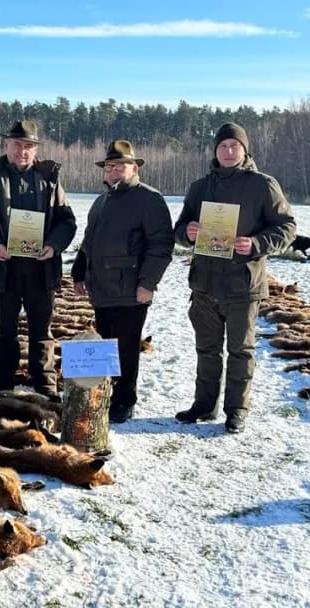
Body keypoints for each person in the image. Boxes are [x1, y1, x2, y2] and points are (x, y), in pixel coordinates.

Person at [172, 122, 296, 433]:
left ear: (244, 150)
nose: (228, 152)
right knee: (207, 350)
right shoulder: (200, 188)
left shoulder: (263, 185)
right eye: (223, 146)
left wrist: (255, 244)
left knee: (241, 351)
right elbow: (180, 228)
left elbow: (287, 227)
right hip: (204, 284)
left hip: (243, 284)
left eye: (234, 146)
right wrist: (187, 233)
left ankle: (237, 410)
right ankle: (204, 405)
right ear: (215, 151)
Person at [0, 120, 77, 401]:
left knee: (42, 332)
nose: (22, 151)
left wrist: (53, 245)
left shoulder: (49, 177)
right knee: (4, 331)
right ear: (6, 145)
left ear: (35, 149)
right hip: (2, 268)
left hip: (40, 269)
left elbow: (66, 221)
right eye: (17, 145)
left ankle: (45, 384)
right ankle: (3, 384)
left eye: (28, 146)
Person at [71, 140, 174, 423]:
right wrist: (79, 270)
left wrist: (148, 283)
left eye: (120, 166)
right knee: (105, 345)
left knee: (126, 347)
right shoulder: (101, 201)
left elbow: (161, 245)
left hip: (131, 289)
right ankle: (106, 393)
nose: (113, 171)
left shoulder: (149, 199)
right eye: (109, 166)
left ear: (134, 167)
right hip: (102, 287)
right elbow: (89, 240)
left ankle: (125, 399)